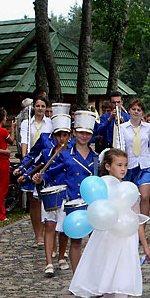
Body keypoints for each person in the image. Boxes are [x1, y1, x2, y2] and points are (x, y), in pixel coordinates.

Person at [68, 148, 150, 298]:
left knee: (122, 281)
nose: (123, 169)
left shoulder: (130, 190)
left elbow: (137, 219)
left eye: (125, 165)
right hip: (107, 237)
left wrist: (145, 246)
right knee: (109, 282)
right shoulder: (102, 188)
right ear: (108, 166)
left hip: (126, 238)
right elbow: (95, 212)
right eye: (119, 165)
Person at [39, 111, 98, 272]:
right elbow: (51, 172)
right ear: (74, 133)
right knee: (76, 240)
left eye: (87, 133)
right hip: (72, 201)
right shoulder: (65, 155)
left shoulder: (96, 158)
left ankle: (95, 274)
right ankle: (77, 276)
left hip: (91, 203)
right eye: (81, 132)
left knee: (95, 240)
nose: (84, 136)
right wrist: (41, 178)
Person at [30, 116, 73, 276]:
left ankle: (61, 255)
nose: (61, 138)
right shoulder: (46, 152)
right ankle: (49, 262)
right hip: (49, 191)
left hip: (66, 194)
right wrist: (38, 178)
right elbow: (38, 168)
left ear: (69, 136)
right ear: (54, 137)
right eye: (58, 135)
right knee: (49, 226)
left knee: (64, 229)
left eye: (64, 135)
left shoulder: (72, 153)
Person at [117, 99, 150, 217]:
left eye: (139, 110)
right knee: (130, 199)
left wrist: (144, 155)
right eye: (133, 109)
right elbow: (119, 148)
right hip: (129, 167)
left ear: (142, 113)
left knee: (144, 197)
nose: (136, 112)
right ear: (129, 111)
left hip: (146, 166)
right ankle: (131, 225)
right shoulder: (122, 128)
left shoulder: (148, 128)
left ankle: (142, 228)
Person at [20, 96, 52, 241]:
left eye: (42, 106)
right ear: (34, 107)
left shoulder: (50, 123)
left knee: (46, 200)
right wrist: (25, 162)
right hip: (32, 162)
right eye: (38, 106)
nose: (40, 108)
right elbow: (24, 142)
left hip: (46, 163)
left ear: (46, 108)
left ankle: (48, 233)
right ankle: (38, 235)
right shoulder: (27, 123)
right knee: (34, 201)